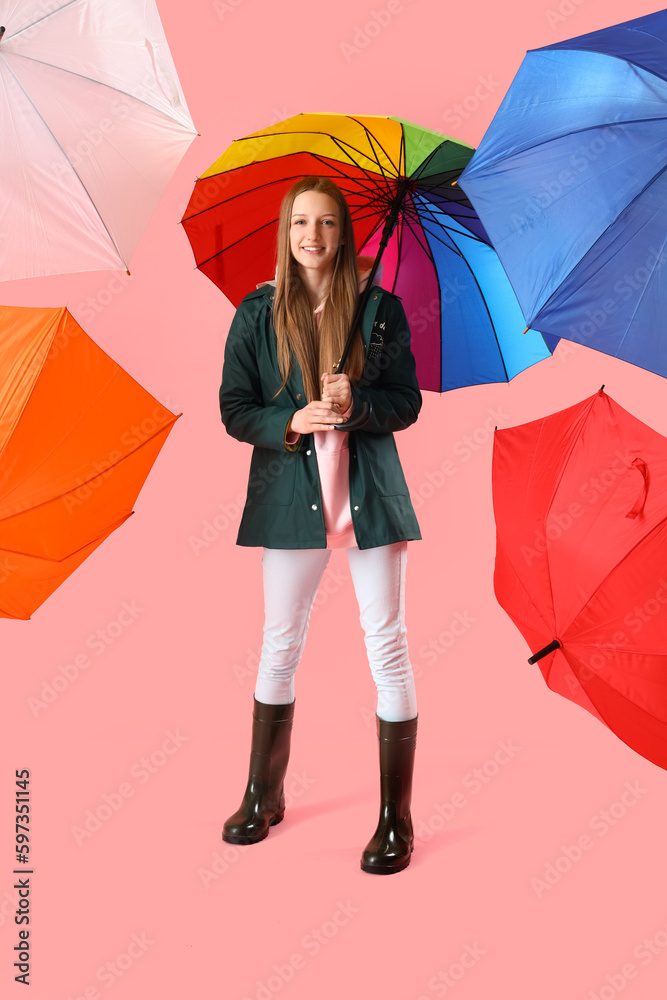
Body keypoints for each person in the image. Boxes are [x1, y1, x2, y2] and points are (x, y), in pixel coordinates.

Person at [219, 176, 421, 874]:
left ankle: (396, 818)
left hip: (368, 498)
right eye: (301, 221)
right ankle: (261, 793)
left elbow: (405, 404)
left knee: (387, 646)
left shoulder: (380, 312)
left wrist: (356, 402)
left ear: (344, 233)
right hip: (288, 499)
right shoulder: (257, 313)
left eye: (327, 223)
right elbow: (234, 408)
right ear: (286, 230)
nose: (312, 235)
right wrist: (290, 420)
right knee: (279, 643)